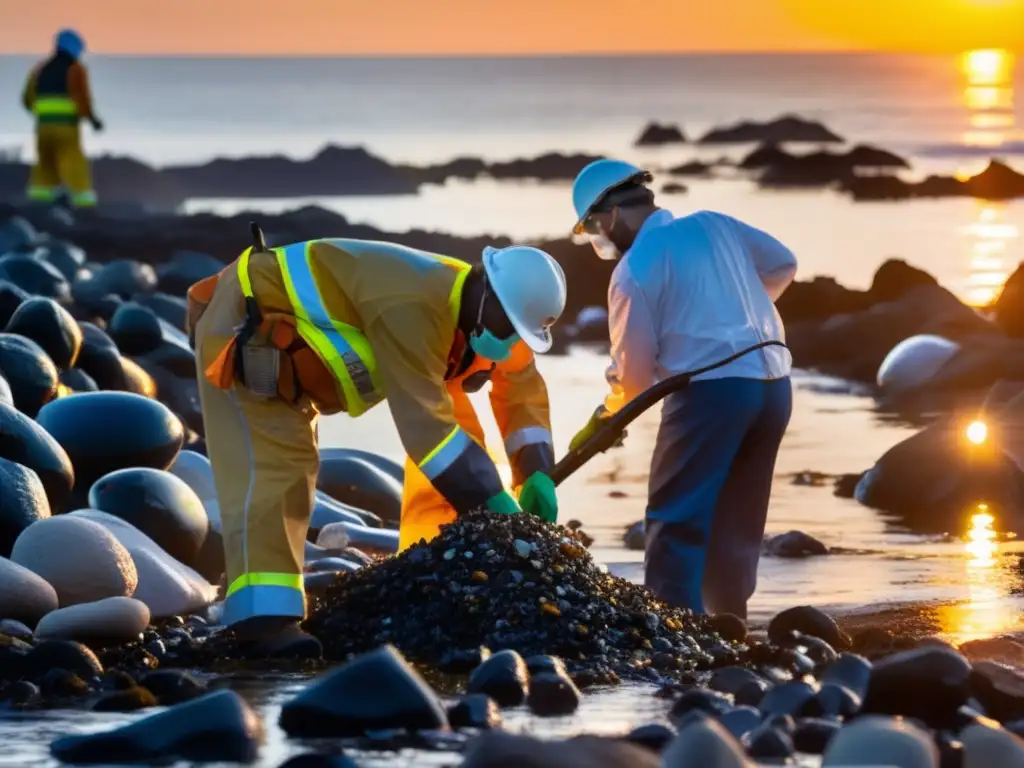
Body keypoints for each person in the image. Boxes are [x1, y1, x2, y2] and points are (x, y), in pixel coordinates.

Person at [188, 233, 566, 657]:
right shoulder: (413, 306)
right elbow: (430, 434)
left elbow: (521, 389)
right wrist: (497, 507)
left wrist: (535, 470)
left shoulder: (489, 314)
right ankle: (263, 622)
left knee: (462, 450)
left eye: (520, 334)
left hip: (297, 348)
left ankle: (439, 556)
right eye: (510, 329)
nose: (512, 342)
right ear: (488, 298)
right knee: (278, 466)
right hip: (247, 326)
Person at [567, 159, 797, 619]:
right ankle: (727, 622)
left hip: (712, 395)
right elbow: (784, 262)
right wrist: (732, 307)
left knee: (677, 519)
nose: (599, 240)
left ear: (609, 215)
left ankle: (676, 635)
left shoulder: (635, 269)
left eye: (593, 227)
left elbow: (632, 374)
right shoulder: (715, 225)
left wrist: (607, 418)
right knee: (737, 522)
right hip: (775, 386)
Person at [21, 29, 103, 208]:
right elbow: (82, 99)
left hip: (43, 128)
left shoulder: (40, 69)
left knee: (45, 165)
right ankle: (84, 205)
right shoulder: (76, 69)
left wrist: (41, 112)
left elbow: (27, 99)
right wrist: (93, 120)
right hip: (66, 127)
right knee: (73, 163)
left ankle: (39, 203)